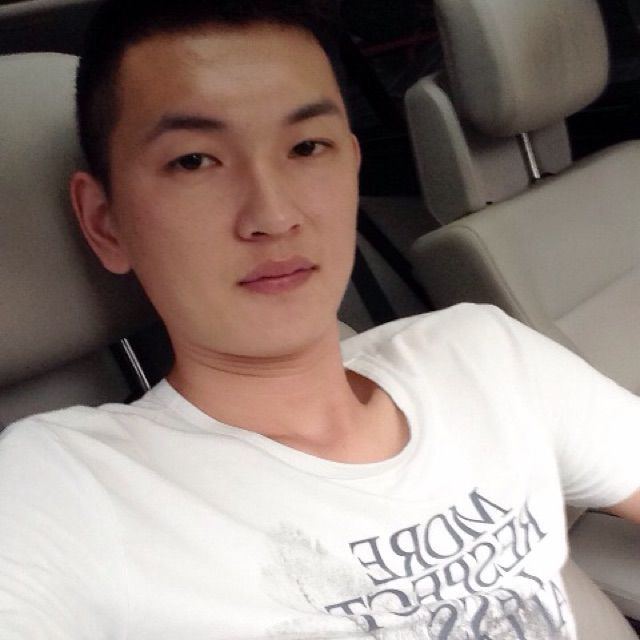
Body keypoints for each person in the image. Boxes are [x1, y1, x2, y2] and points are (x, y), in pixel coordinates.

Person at [0, 0, 639, 638]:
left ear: (351, 168)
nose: (274, 216)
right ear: (105, 222)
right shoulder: (63, 487)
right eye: (194, 160)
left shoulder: (480, 353)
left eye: (307, 147)